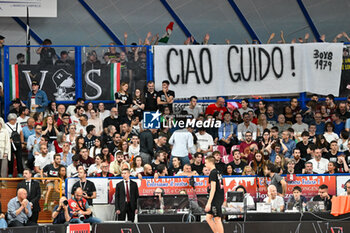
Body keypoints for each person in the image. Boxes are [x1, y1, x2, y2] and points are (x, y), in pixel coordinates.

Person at [205, 155, 224, 233]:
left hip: (215, 198)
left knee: (217, 218)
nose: (205, 165)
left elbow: (213, 189)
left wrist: (209, 203)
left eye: (206, 163)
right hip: (219, 197)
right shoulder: (218, 172)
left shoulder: (213, 173)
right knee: (208, 218)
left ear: (210, 163)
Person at [6, 113, 24, 177]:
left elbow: (21, 134)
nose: (14, 121)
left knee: (19, 158)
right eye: (13, 120)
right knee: (11, 159)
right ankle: (10, 173)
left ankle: (20, 172)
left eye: (15, 119)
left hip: (18, 143)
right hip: (10, 144)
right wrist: (8, 140)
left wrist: (22, 143)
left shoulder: (18, 125)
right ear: (10, 120)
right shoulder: (6, 125)